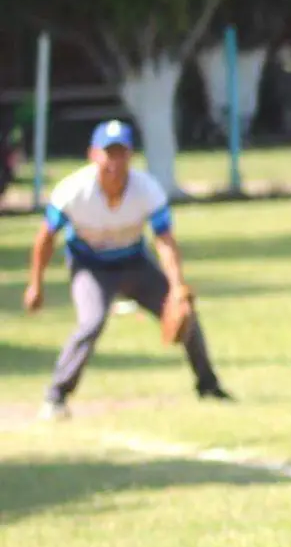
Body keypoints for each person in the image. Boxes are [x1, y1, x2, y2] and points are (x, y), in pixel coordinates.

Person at [22, 120, 231, 420]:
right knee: (91, 323)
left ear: (130, 156)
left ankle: (208, 386)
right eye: (108, 153)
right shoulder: (73, 191)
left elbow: (164, 240)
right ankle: (56, 396)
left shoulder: (146, 189)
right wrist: (35, 285)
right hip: (90, 266)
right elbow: (45, 238)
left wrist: (176, 286)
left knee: (185, 313)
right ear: (93, 155)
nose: (114, 163)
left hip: (134, 262)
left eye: (121, 153)